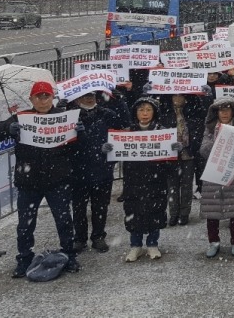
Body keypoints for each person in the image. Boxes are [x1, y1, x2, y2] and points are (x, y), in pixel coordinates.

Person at [0, 81, 81, 278]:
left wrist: (80, 133)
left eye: (46, 95)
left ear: (52, 98)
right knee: (25, 224)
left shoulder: (64, 118)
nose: (43, 100)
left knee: (64, 220)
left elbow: (78, 149)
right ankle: (24, 259)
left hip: (57, 179)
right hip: (29, 181)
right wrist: (8, 129)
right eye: (38, 96)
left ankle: (69, 255)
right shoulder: (22, 118)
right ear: (31, 99)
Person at [117, 96, 178, 262]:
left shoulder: (162, 132)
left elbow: (171, 167)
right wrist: (108, 149)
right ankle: (135, 246)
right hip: (133, 181)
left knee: (155, 210)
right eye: (141, 110)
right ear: (135, 112)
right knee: (133, 211)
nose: (144, 114)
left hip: (156, 180)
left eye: (148, 110)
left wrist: (174, 151)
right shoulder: (127, 133)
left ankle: (152, 244)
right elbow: (116, 156)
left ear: (154, 112)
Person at [70, 88, 129, 254]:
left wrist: (119, 101)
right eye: (85, 95)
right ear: (77, 98)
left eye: (92, 95)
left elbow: (124, 123)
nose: (89, 98)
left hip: (102, 167)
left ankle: (98, 237)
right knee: (79, 207)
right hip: (78, 169)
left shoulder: (106, 113)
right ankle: (80, 239)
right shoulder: (70, 116)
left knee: (100, 206)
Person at [199, 99, 234, 258]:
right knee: (212, 211)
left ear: (233, 112)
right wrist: (218, 137)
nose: (225, 113)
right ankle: (214, 242)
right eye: (221, 110)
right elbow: (204, 151)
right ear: (216, 113)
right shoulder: (209, 129)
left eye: (228, 110)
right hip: (213, 174)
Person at [163, 93, 204, 227]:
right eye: (175, 96)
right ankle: (174, 213)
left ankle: (184, 213)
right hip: (171, 155)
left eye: (180, 96)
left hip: (188, 154)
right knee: (172, 186)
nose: (177, 99)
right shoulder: (165, 113)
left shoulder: (193, 111)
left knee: (186, 186)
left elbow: (198, 130)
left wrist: (191, 144)